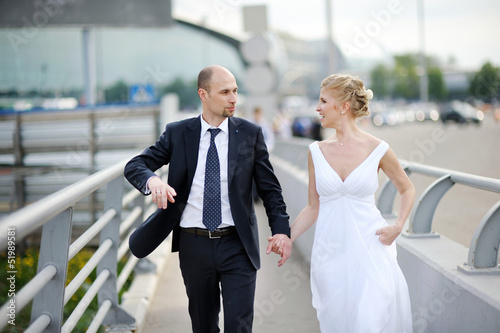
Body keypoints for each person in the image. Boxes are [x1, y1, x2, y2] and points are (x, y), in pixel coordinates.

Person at [124, 65, 292, 333]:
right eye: (225, 92)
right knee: (203, 326)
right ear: (204, 94)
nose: (233, 98)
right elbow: (136, 165)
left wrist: (281, 231)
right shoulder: (179, 133)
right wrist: (152, 180)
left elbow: (271, 190)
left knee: (238, 326)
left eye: (235, 91)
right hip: (194, 246)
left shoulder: (250, 134)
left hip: (238, 244)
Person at [269, 74, 414, 332]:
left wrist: (399, 225)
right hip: (330, 254)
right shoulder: (316, 151)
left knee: (369, 322)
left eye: (324, 101)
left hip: (371, 249)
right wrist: (286, 237)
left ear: (343, 107)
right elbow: (313, 206)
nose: (317, 108)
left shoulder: (378, 148)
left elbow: (406, 188)